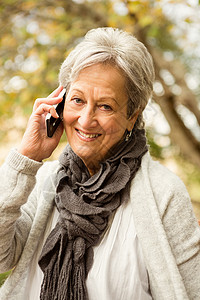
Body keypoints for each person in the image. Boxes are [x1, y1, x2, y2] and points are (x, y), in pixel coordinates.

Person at [0, 27, 200, 300]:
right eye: (77, 100)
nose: (85, 119)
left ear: (132, 115)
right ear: (59, 104)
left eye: (105, 106)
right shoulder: (45, 181)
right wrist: (26, 157)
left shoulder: (164, 193)